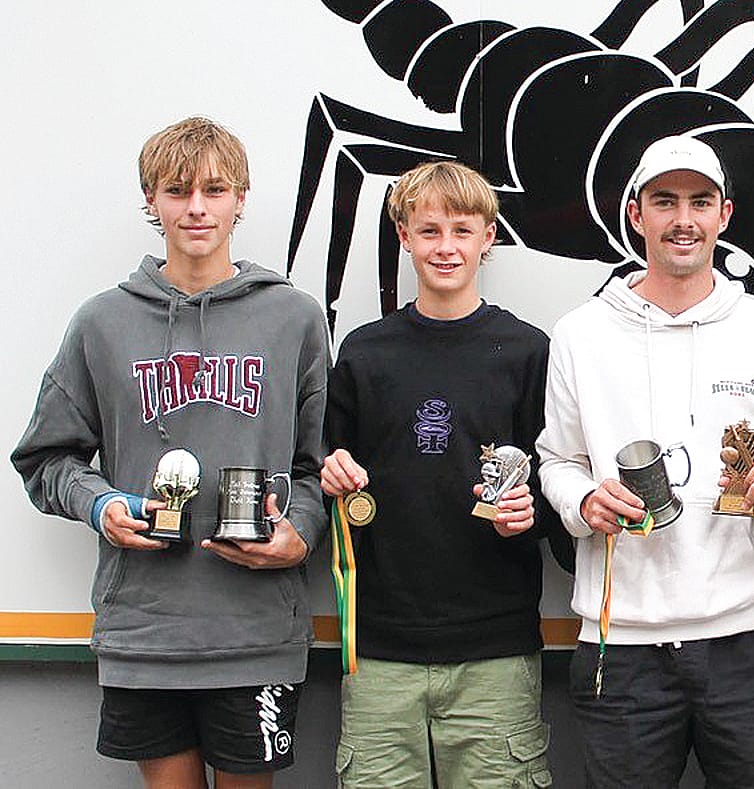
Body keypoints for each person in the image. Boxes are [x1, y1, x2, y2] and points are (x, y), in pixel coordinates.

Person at [11, 117, 328, 787]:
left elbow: (318, 462)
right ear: (150, 201)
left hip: (256, 633)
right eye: (178, 190)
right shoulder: (102, 321)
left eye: (214, 189)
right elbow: (45, 458)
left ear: (241, 198)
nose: (196, 207)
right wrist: (102, 506)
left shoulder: (295, 317)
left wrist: (299, 532)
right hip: (146, 633)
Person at [536, 135, 754, 788]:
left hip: (748, 638)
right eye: (664, 201)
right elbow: (557, 461)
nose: (683, 219)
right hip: (621, 647)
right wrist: (583, 502)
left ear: (724, 216)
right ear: (636, 215)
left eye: (699, 202)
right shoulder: (581, 333)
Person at [318, 161, 556, 788]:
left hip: (495, 650)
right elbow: (324, 473)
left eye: (461, 230)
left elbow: (559, 485)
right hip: (378, 650)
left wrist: (531, 516)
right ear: (403, 236)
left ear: (489, 237)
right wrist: (332, 472)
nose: (445, 247)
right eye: (428, 231)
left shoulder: (529, 351)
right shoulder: (365, 353)